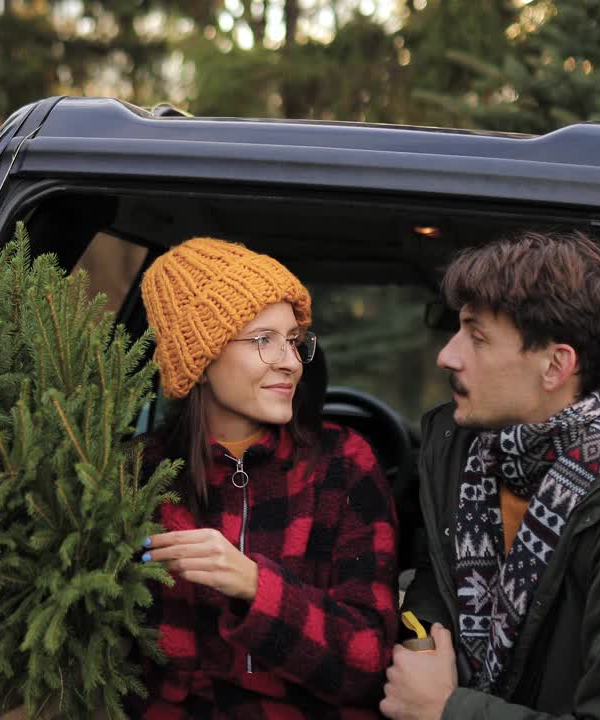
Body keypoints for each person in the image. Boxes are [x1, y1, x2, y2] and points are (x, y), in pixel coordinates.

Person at [383, 230, 600, 720]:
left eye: (476, 337)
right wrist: (422, 641)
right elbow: (444, 571)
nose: (447, 356)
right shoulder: (464, 450)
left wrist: (446, 710)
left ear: (555, 365)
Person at [131, 236, 399, 719]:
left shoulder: (343, 465)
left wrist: (254, 584)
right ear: (201, 361)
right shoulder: (137, 477)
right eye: (263, 340)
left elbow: (368, 663)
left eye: (295, 342)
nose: (291, 362)